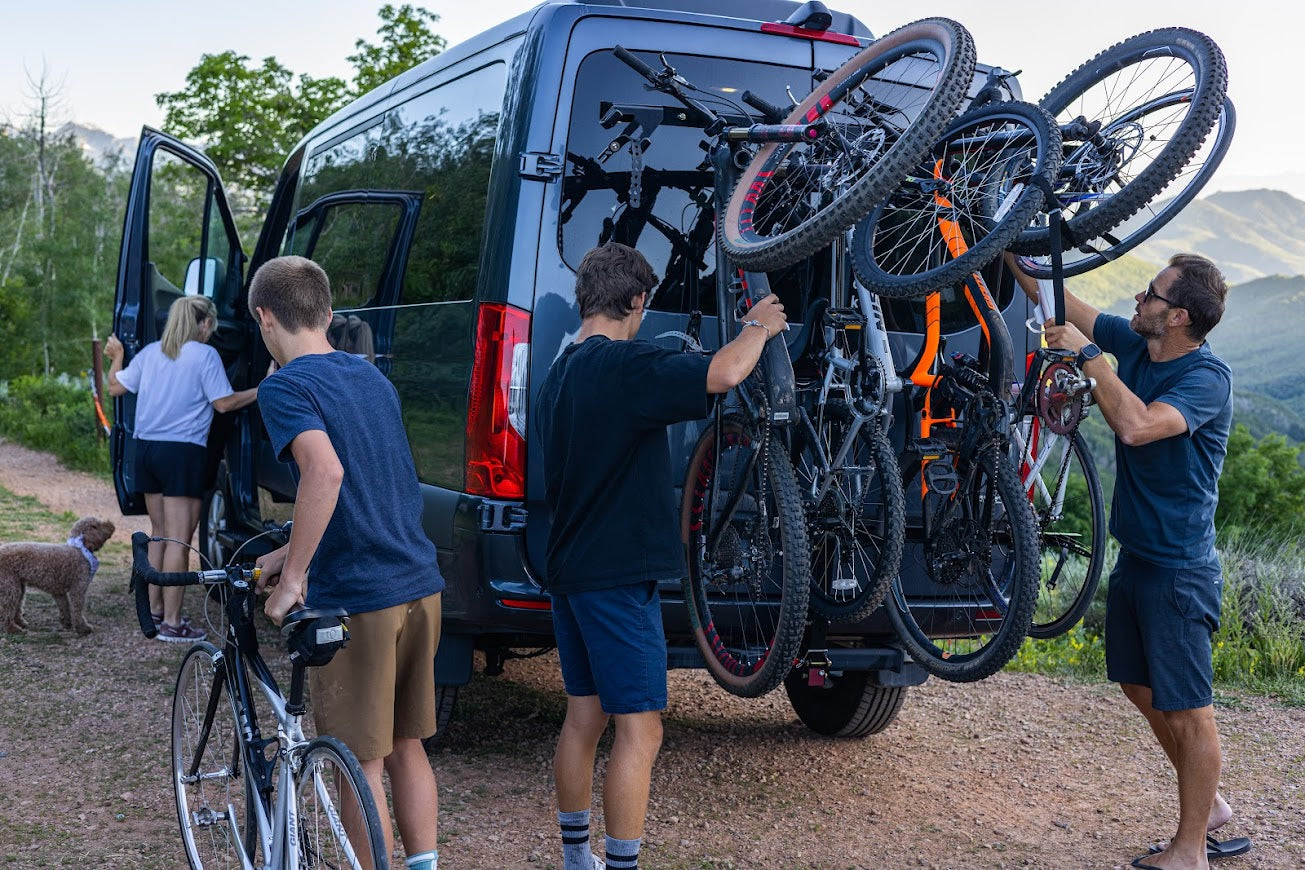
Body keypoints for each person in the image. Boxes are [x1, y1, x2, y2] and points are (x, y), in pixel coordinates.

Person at [535, 242, 788, 870]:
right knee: (641, 731)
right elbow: (726, 371)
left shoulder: (558, 374)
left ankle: (576, 859)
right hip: (618, 579)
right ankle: (620, 865)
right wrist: (760, 323)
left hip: (569, 571)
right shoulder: (626, 367)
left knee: (584, 718)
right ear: (636, 300)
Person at [1008, 253, 1249, 870]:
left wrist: (1089, 360)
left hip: (1179, 571)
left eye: (1152, 293)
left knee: (1189, 711)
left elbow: (1138, 427)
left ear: (1179, 318)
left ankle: (1191, 849)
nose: (1140, 298)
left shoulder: (1205, 380)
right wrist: (1003, 235)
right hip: (1137, 558)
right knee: (1138, 685)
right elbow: (1058, 303)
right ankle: (1212, 806)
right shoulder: (1141, 343)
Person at [248, 255, 443, 870]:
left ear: (264, 318)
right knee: (408, 746)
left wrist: (296, 577)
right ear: (328, 315)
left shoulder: (284, 386)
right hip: (418, 583)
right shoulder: (370, 378)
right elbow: (366, 487)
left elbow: (325, 473)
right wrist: (288, 552)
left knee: (361, 762)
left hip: (360, 595)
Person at [105, 294, 258, 642]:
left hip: (145, 451)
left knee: (159, 531)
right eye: (211, 326)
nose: (211, 333)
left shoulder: (150, 352)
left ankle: (157, 612)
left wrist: (117, 357)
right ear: (203, 323)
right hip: (181, 453)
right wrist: (264, 388)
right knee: (178, 538)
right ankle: (173, 623)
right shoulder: (204, 355)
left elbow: (114, 387)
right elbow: (223, 403)